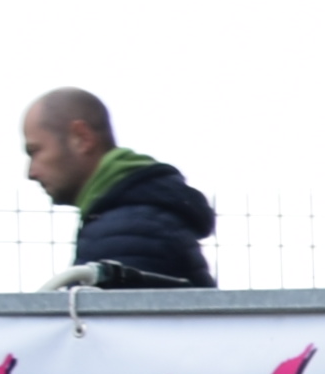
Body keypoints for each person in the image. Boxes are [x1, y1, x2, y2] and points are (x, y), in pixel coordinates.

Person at [21, 88, 219, 288]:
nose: (31, 173)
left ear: (82, 138)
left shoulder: (128, 228)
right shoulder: (132, 217)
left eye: (35, 151)